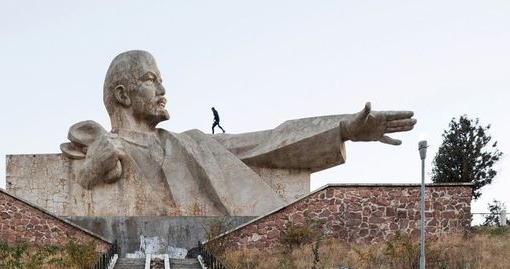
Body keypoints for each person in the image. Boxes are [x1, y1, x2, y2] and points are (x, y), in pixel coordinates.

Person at [59, 50, 416, 217]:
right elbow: (78, 188)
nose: (163, 90)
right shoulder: (99, 147)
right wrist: (91, 170)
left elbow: (267, 142)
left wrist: (343, 129)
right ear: (123, 95)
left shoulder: (191, 143)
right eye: (151, 80)